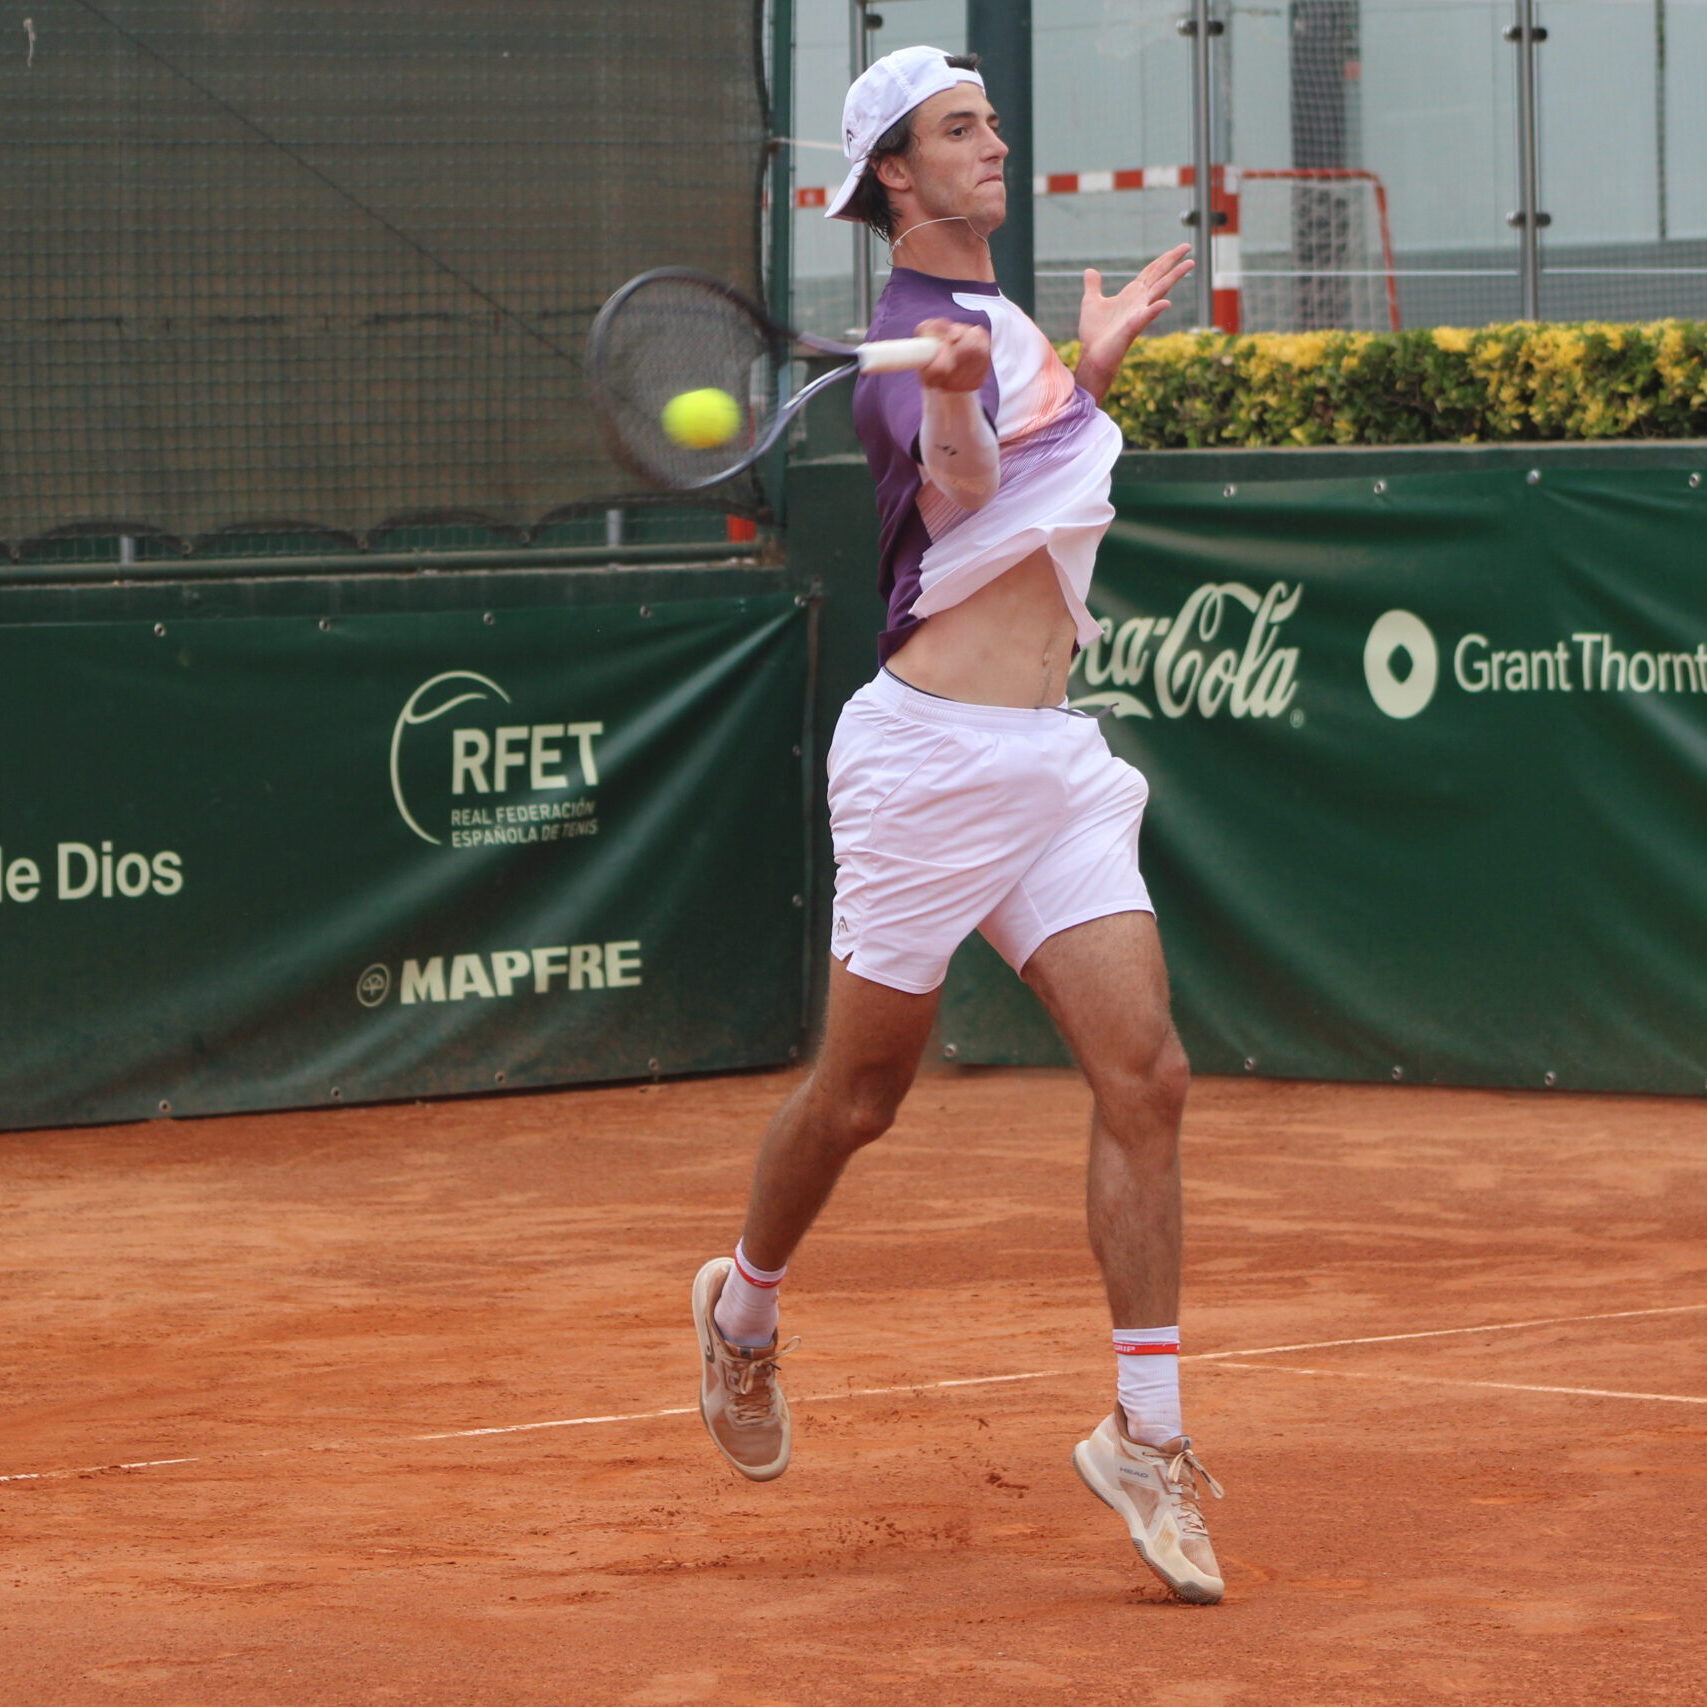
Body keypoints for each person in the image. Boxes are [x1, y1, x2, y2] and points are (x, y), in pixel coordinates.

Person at [691, 44, 1224, 1604]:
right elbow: (971, 480)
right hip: (927, 770)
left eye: (991, 121)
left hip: (1052, 763)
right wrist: (952, 402)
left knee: (1148, 1075)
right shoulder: (909, 356)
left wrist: (1090, 365)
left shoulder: (994, 326)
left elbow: (1022, 483)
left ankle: (1148, 1437)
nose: (994, 143)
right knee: (861, 1099)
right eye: (958, 129)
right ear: (895, 177)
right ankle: (743, 1312)